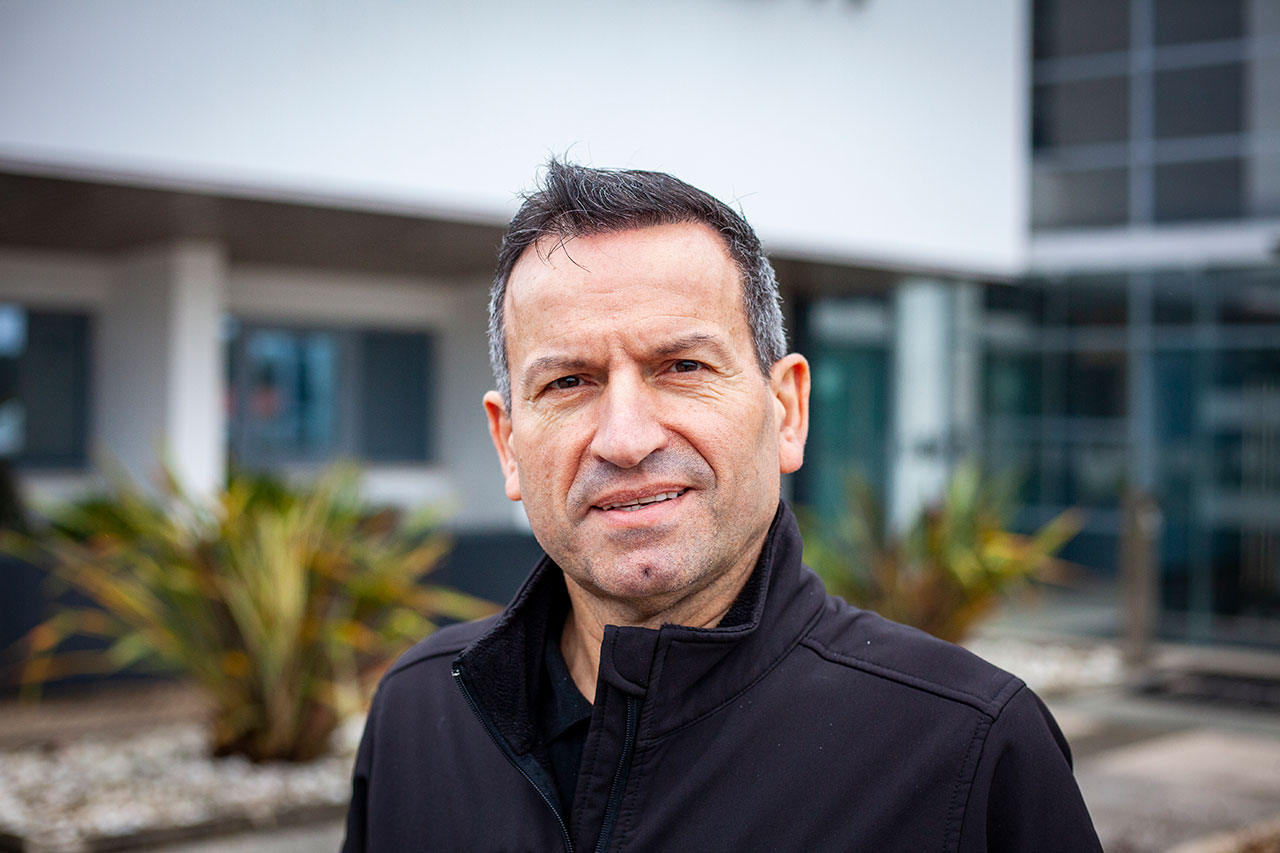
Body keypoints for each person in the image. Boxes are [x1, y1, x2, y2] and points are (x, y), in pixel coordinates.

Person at [342, 161, 1101, 852]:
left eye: (682, 366)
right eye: (568, 382)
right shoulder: (419, 717)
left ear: (787, 410)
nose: (626, 439)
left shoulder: (966, 751)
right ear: (509, 443)